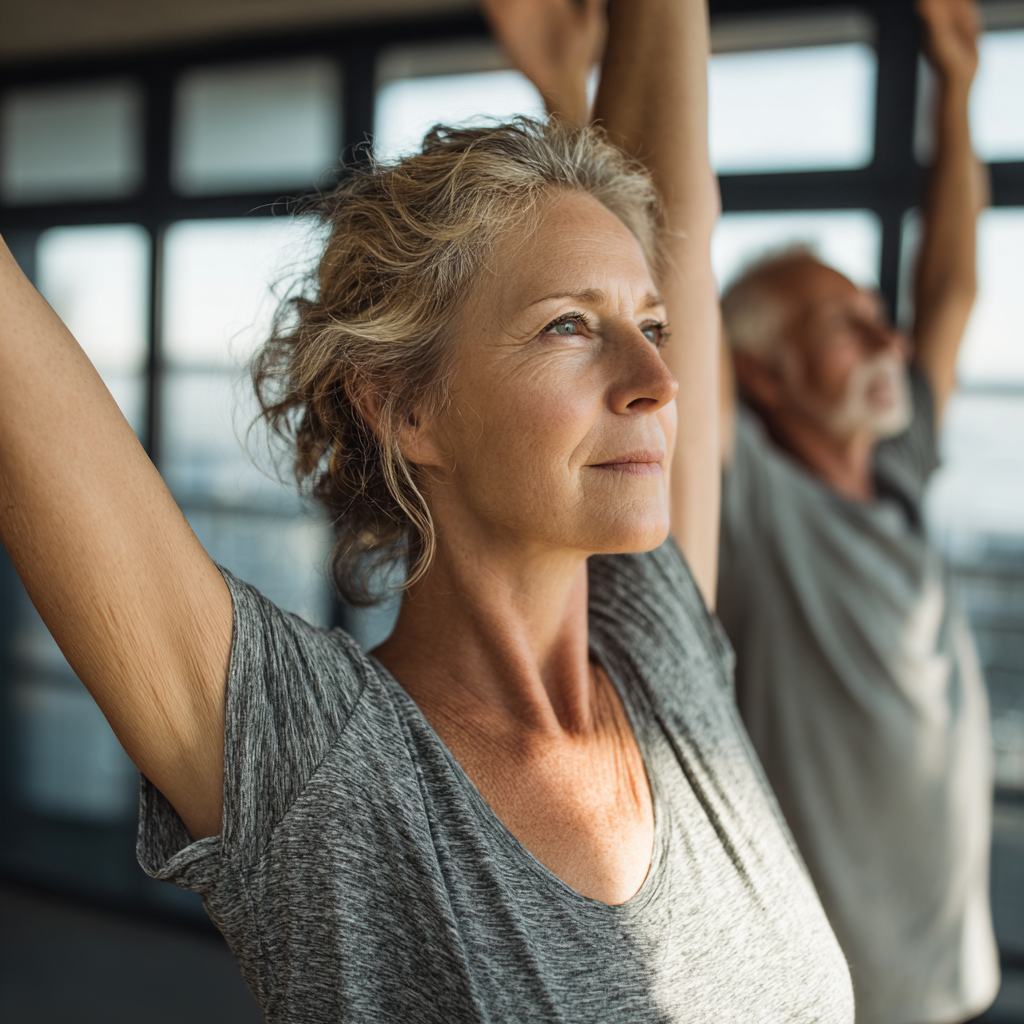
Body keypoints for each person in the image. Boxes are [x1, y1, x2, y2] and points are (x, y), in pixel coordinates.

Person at [0, 0, 855, 1020]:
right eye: (570, 326)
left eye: (654, 322)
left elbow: (679, 203)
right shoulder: (326, 767)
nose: (657, 379)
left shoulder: (658, 649)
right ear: (406, 408)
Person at [714, 1, 999, 1021]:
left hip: (952, 985)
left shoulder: (899, 466)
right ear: (759, 372)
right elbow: (662, 252)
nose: (887, 343)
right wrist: (572, 94)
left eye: (879, 319)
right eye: (842, 325)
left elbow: (949, 285)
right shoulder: (748, 497)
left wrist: (958, 87)